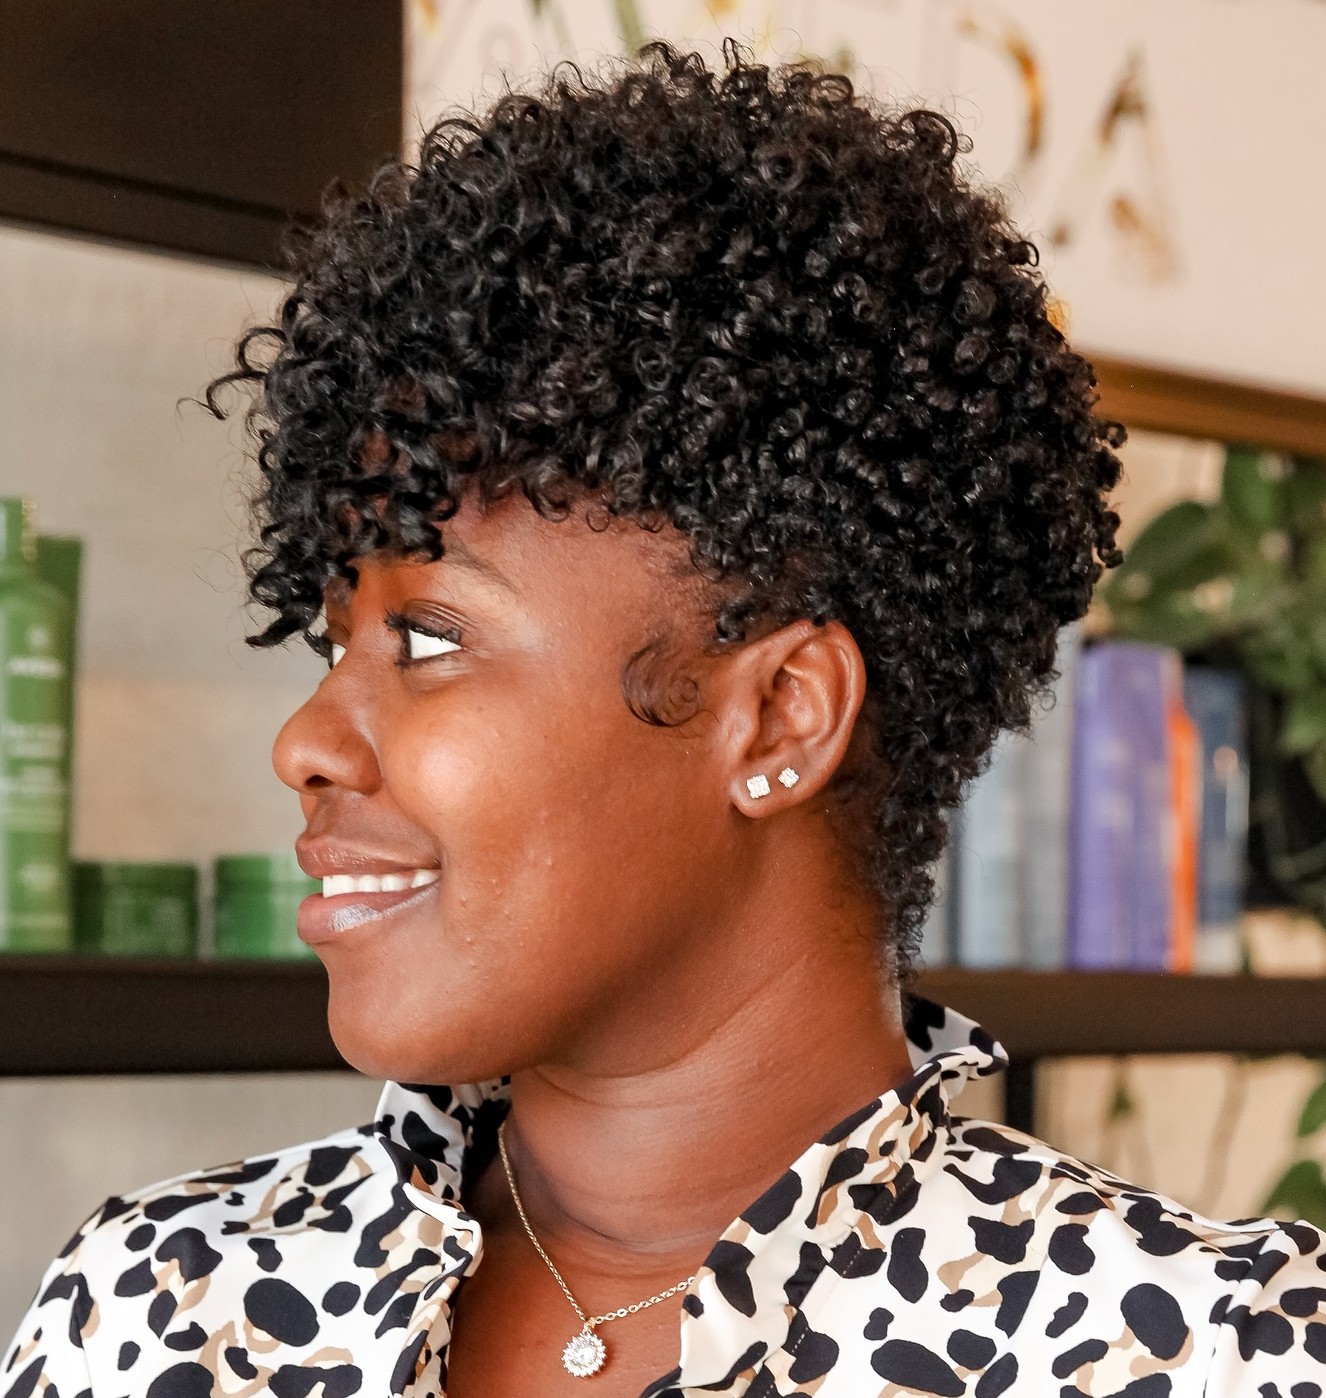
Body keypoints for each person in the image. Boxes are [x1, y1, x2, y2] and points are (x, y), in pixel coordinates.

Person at [5, 41, 1324, 1398]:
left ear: (779, 719)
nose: (306, 740)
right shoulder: (159, 1306)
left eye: (430, 638)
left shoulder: (1201, 1353)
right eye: (336, 640)